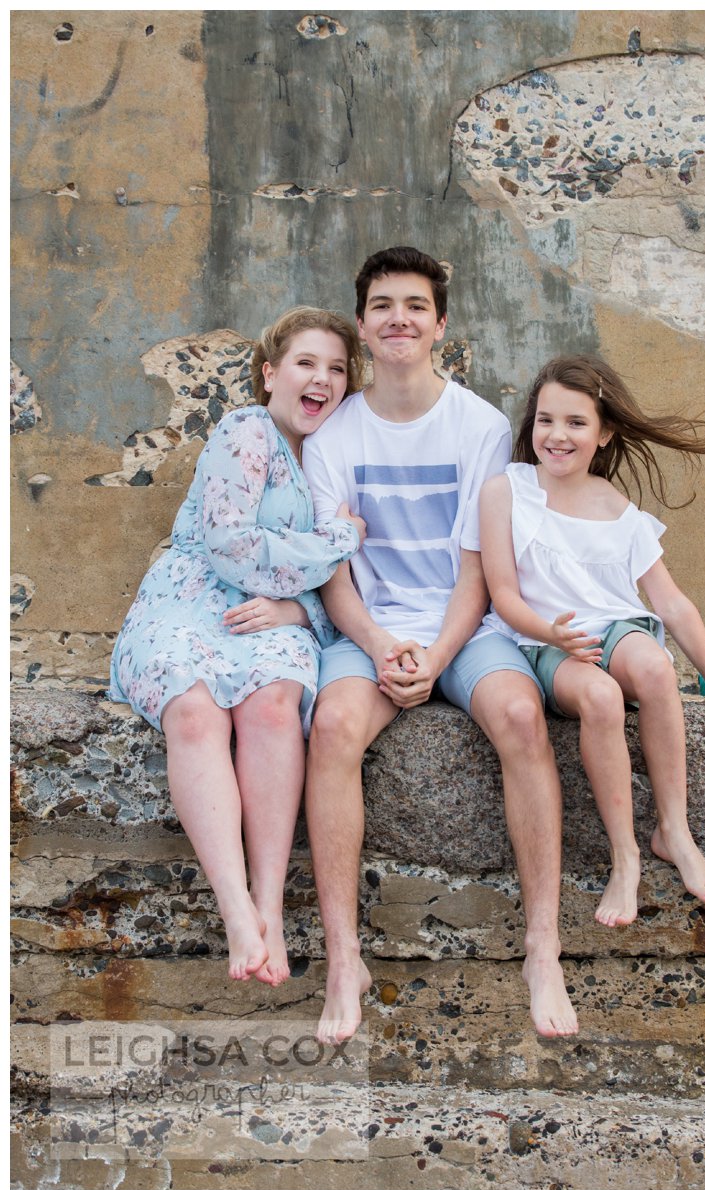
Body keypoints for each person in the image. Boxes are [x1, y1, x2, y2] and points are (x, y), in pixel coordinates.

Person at [302, 247, 575, 1042]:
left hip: (466, 623)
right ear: (361, 324)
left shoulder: (482, 427)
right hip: (371, 627)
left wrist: (437, 651)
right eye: (383, 305)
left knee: (521, 718)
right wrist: (386, 645)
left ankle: (541, 946)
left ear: (440, 324)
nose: (399, 318)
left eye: (415, 306)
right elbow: (333, 573)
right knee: (335, 728)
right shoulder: (332, 437)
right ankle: (344, 957)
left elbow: (480, 568)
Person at [480, 355, 705, 929]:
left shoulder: (621, 512)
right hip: (542, 639)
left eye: (576, 422)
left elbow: (671, 603)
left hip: (614, 628)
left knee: (653, 668)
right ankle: (625, 856)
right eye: (545, 420)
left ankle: (674, 829)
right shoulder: (508, 491)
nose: (557, 435)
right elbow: (502, 593)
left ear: (604, 434)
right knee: (599, 698)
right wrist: (551, 633)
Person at [108, 307, 366, 986]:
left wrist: (295, 605)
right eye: (307, 362)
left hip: (279, 617)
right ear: (270, 373)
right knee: (193, 710)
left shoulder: (332, 460)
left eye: (337, 368)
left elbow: (330, 594)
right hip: (194, 599)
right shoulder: (245, 429)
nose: (322, 378)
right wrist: (337, 541)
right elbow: (233, 547)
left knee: (275, 707)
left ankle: (271, 912)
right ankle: (235, 911)